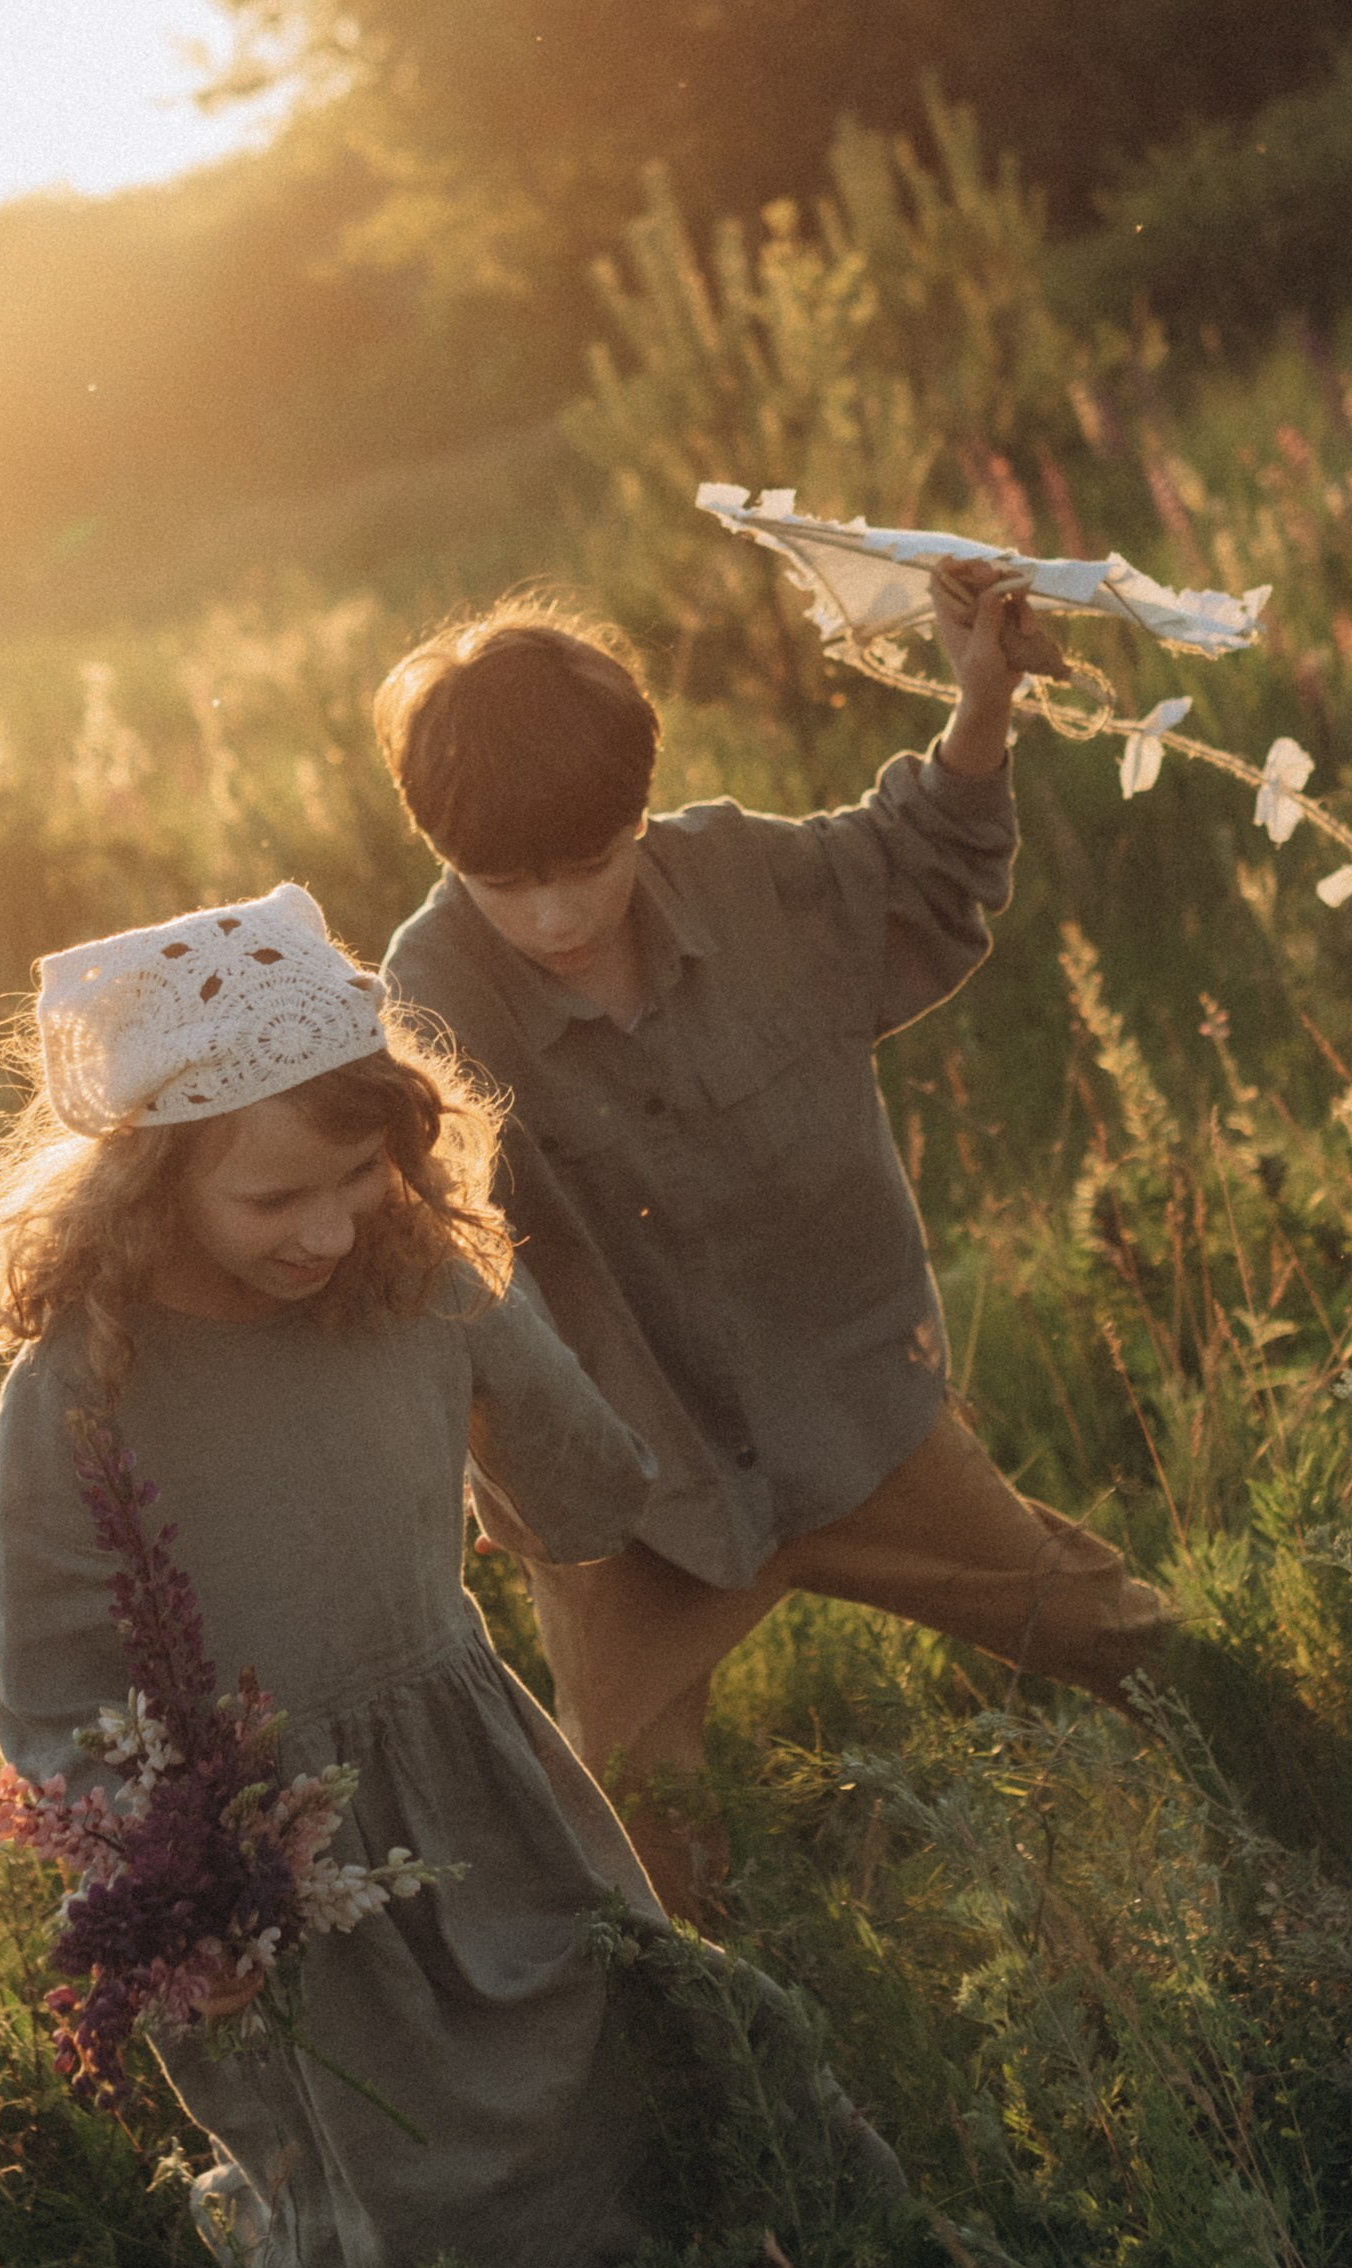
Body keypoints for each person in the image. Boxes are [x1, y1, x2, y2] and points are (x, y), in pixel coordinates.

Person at [0, 880, 686, 2268]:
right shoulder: (78, 1387)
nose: (332, 1230)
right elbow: (53, 1704)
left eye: (362, 1176)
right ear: (153, 1178)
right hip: (266, 1875)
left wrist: (502, 1329)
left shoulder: (415, 1275)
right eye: (277, 1195)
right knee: (406, 2193)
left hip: (482, 1791)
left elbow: (583, 1494)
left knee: (613, 2078)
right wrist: (174, 1907)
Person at [376, 566, 1170, 1921]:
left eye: (589, 864)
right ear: (445, 852)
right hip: (626, 1487)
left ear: (638, 810)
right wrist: (511, 1462)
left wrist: (983, 700)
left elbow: (920, 865)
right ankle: (723, 2024)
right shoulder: (423, 999)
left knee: (1099, 1623)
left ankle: (1297, 1751)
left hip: (844, 1406)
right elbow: (426, 1257)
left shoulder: (748, 878)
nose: (555, 916)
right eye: (506, 884)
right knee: (639, 1828)